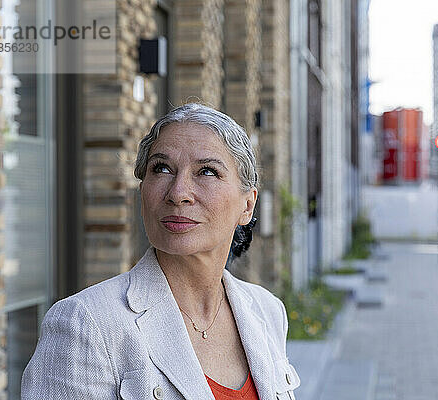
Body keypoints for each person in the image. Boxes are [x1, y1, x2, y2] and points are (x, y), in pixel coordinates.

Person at [21, 103, 300, 399]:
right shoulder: (85, 323)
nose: (178, 193)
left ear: (247, 205)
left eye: (207, 171)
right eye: (162, 168)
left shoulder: (267, 311)